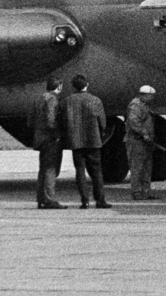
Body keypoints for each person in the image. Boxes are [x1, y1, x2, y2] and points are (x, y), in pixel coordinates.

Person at [64, 74, 110, 209]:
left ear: (73, 86)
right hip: (93, 139)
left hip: (76, 141)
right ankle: (100, 200)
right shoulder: (95, 100)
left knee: (80, 170)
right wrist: (101, 132)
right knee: (96, 171)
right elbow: (102, 121)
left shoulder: (67, 101)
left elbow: (63, 120)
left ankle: (84, 200)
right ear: (87, 84)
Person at [34, 78, 66, 209]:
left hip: (40, 138)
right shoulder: (52, 99)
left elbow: (31, 120)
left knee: (43, 168)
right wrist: (56, 134)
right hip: (50, 139)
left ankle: (41, 198)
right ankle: (49, 199)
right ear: (58, 86)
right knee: (51, 169)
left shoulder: (38, 98)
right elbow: (50, 120)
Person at [125, 85, 157, 201]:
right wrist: (144, 133)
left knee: (147, 168)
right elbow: (133, 122)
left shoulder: (145, 105)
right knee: (137, 168)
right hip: (137, 141)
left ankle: (146, 192)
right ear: (144, 95)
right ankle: (136, 192)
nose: (152, 98)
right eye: (151, 96)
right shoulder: (135, 105)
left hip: (146, 142)